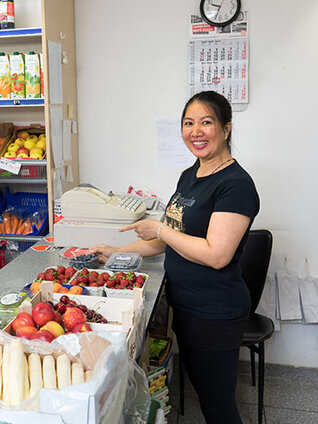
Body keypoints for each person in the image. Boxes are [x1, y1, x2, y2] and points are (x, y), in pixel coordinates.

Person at [91, 91, 259, 424]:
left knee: (218, 405)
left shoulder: (235, 185)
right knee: (205, 392)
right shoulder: (189, 176)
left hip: (215, 312)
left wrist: (161, 229)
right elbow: (167, 241)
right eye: (188, 123)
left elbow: (216, 255)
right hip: (186, 305)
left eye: (206, 122)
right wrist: (115, 254)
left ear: (226, 129)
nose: (196, 131)